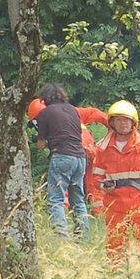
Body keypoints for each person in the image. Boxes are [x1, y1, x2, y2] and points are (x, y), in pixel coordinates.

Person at [91, 100, 140, 265]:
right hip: (114, 205)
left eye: (126, 119)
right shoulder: (102, 149)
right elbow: (96, 178)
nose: (123, 123)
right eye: (118, 119)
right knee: (114, 249)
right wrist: (102, 186)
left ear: (133, 122)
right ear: (112, 123)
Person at [32, 84, 91, 240]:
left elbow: (41, 144)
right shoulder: (73, 110)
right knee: (78, 199)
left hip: (62, 156)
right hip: (80, 157)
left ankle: (61, 237)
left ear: (44, 98)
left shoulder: (45, 113)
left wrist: (35, 137)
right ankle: (83, 238)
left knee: (56, 199)